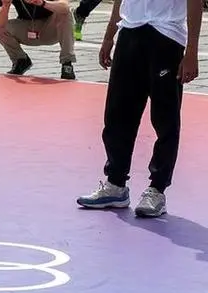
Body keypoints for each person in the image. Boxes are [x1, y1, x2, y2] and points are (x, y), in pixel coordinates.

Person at [76, 0, 202, 217]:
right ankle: (116, 184)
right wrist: (109, 36)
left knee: (165, 118)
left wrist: (191, 51)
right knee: (117, 114)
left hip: (166, 35)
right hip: (130, 31)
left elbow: (195, 2)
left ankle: (157, 189)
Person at [0, 0, 76, 79]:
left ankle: (67, 64)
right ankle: (20, 60)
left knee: (65, 13)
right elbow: (0, 23)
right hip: (27, 28)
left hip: (51, 28)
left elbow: (65, 6)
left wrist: (42, 2)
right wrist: (5, 6)